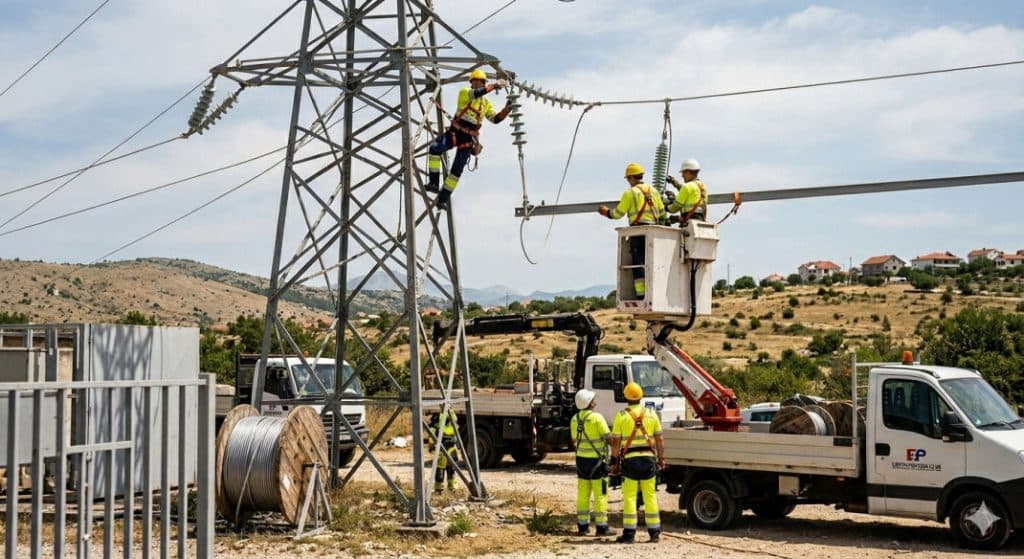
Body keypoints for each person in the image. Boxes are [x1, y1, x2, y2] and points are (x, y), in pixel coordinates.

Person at [427, 69, 510, 210]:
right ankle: (434, 183)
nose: (478, 84)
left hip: (468, 139)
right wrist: (494, 86)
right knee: (435, 149)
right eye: (476, 81)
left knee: (456, 173)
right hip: (455, 133)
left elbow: (495, 119)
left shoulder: (486, 104)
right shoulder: (465, 92)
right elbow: (477, 94)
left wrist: (506, 110)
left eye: (481, 82)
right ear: (472, 82)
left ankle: (443, 199)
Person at [598, 163, 667, 299]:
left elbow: (618, 214)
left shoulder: (630, 193)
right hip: (654, 232)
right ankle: (656, 294)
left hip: (638, 231)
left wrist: (606, 212)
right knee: (654, 263)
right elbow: (663, 214)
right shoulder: (653, 191)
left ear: (630, 178)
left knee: (638, 263)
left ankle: (642, 296)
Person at [609, 382, 665, 544]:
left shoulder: (621, 415)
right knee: (650, 496)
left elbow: (615, 443)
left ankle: (629, 534)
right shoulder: (651, 414)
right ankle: (654, 533)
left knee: (630, 497)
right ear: (641, 396)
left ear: (626, 397)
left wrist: (614, 463)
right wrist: (661, 459)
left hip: (630, 461)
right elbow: (660, 440)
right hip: (648, 460)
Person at [570, 389, 614, 537]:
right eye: (592, 399)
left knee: (583, 494)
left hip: (581, 462)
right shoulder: (597, 418)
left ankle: (582, 526)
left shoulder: (575, 419)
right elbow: (609, 438)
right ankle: (601, 527)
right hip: (597, 462)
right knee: (600, 494)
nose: (595, 401)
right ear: (589, 402)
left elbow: (573, 440)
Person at [666, 158, 708, 224]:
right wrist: (674, 182)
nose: (682, 176)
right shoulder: (702, 186)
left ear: (688, 172)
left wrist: (665, 208)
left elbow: (675, 207)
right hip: (700, 220)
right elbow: (689, 191)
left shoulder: (687, 187)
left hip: (689, 220)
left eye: (683, 173)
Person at [433, 407, 459, 492]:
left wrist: (432, 443)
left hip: (443, 444)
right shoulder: (453, 415)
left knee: (441, 467)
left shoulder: (441, 416)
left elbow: (434, 429)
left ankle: (439, 488)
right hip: (450, 444)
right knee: (451, 468)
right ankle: (452, 487)